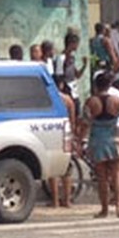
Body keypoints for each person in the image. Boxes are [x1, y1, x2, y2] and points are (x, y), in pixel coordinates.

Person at [79, 72, 119, 219]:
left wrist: (80, 140)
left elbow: (84, 124)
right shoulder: (117, 101)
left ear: (96, 86)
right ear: (109, 85)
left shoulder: (91, 102)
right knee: (117, 174)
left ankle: (105, 209)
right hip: (115, 139)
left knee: (101, 177)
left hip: (98, 141)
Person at [49, 75, 76, 208]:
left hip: (51, 133)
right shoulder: (67, 100)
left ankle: (55, 201)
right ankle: (67, 200)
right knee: (67, 169)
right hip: (65, 132)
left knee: (53, 170)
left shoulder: (48, 99)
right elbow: (72, 120)